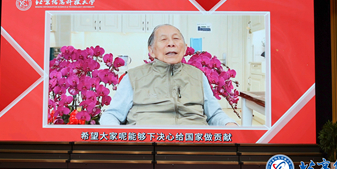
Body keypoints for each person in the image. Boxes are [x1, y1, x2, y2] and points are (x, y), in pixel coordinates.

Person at [99, 24, 237, 126]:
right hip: (146, 147)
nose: (171, 43)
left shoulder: (198, 76)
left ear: (184, 48)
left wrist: (229, 124)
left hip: (193, 146)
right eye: (164, 39)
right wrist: (115, 136)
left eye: (176, 39)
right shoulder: (133, 77)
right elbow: (112, 115)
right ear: (151, 51)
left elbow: (214, 114)